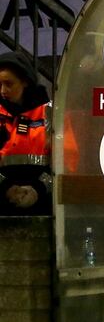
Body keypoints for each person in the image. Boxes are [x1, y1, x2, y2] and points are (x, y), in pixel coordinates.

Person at [0, 51, 55, 216]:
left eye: (9, 84)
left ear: (25, 82)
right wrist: (6, 188)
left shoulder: (50, 114)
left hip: (43, 209)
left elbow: (66, 164)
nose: (3, 91)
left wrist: (38, 190)